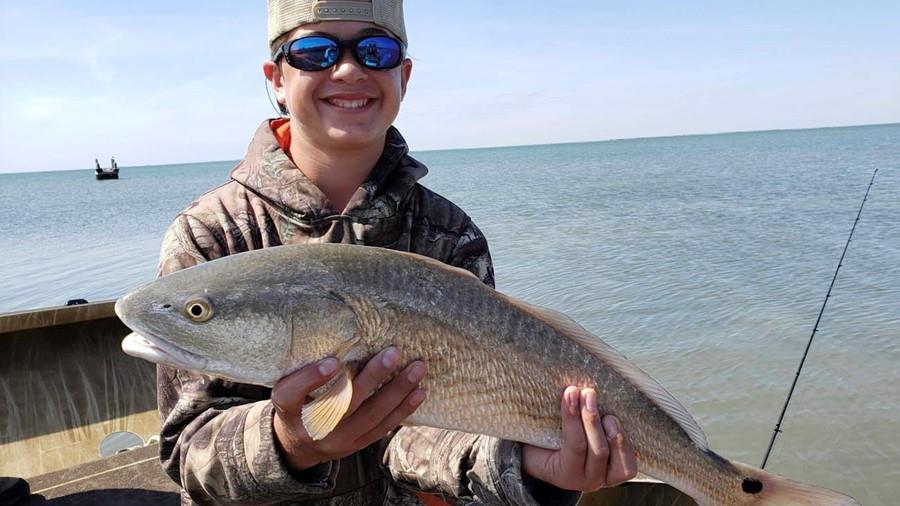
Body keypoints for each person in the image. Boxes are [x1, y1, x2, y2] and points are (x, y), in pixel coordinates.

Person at [154, 1, 637, 504]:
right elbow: (188, 452)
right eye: (314, 52)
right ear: (276, 78)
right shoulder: (211, 234)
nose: (347, 69)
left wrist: (534, 468)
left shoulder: (450, 234)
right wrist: (290, 443)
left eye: (375, 50)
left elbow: (439, 424)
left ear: (403, 76)